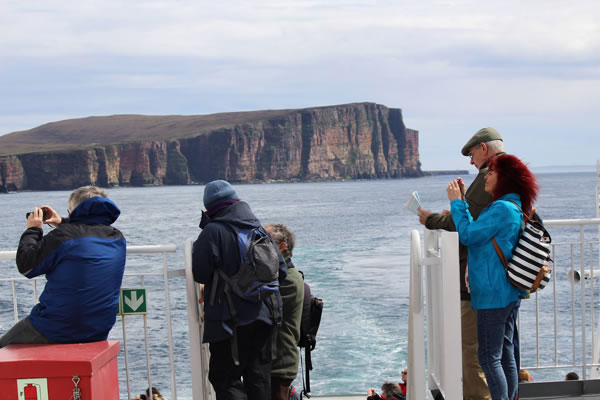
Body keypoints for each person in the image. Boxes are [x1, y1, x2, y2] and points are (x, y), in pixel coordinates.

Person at [417, 127, 505, 400]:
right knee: (502, 351)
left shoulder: (490, 176)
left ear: (483, 149)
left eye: (472, 155)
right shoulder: (510, 176)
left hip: (478, 278)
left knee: (474, 349)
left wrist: (431, 219)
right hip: (502, 281)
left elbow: (465, 226)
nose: (471, 163)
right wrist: (462, 203)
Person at [446, 153, 538, 400]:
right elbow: (478, 232)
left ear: (504, 178)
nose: (486, 175)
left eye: (492, 172)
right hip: (508, 292)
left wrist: (456, 202)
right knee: (505, 354)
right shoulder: (514, 206)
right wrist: (464, 202)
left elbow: (467, 235)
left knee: (489, 358)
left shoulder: (501, 209)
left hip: (492, 294)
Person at [192, 180, 287, 400]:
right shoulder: (258, 228)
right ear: (237, 201)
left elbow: (200, 273)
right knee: (258, 377)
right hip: (265, 315)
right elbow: (280, 270)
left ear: (210, 208)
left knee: (225, 378)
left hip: (230, 320)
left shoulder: (212, 232)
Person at [0, 186, 126, 347]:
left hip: (55, 328)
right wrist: (61, 222)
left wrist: (33, 229)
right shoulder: (117, 238)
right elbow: (86, 230)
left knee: (4, 350)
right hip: (98, 329)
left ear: (76, 210)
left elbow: (26, 266)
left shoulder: (64, 236)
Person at [265, 224, 304, 400]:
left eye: (266, 241)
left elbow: (265, 308)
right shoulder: (280, 276)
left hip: (281, 362)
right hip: (273, 360)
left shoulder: (289, 279)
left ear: (281, 246)